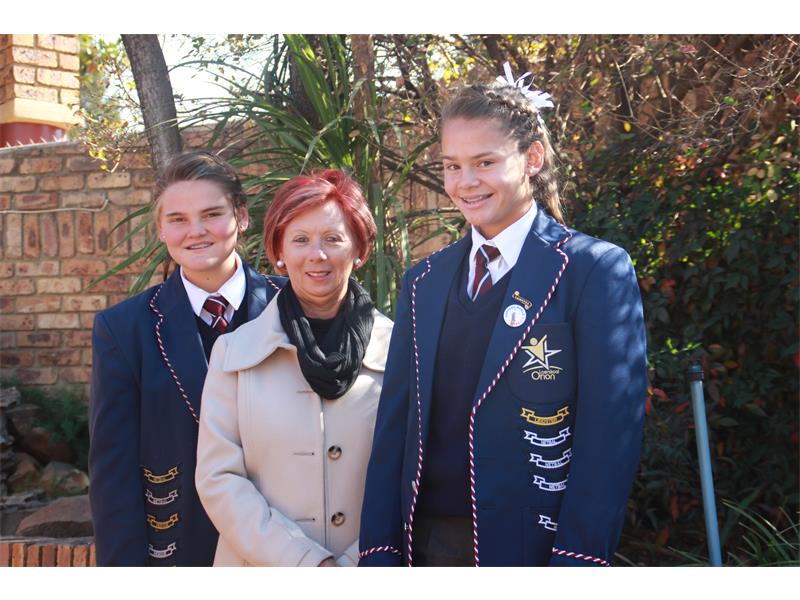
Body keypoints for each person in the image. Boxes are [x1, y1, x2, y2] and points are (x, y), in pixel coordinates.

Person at [358, 63, 647, 567]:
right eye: (452, 165)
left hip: (533, 546)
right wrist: (379, 550)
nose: (465, 182)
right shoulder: (424, 281)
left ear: (532, 158)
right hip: (425, 546)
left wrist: (578, 559)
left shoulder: (592, 270)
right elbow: (395, 429)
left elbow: (610, 435)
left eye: (485, 162)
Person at [89, 151, 283, 566]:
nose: (196, 231)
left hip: (291, 549)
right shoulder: (123, 330)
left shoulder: (294, 307)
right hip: (185, 554)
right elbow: (114, 476)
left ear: (241, 216)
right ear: (160, 229)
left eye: (212, 214)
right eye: (177, 219)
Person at [195, 169, 392, 566]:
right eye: (300, 240)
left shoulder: (400, 351)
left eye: (333, 238)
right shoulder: (234, 354)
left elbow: (412, 478)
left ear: (359, 249)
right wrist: (308, 565)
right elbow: (219, 479)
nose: (317, 255)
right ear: (279, 252)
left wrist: (355, 564)